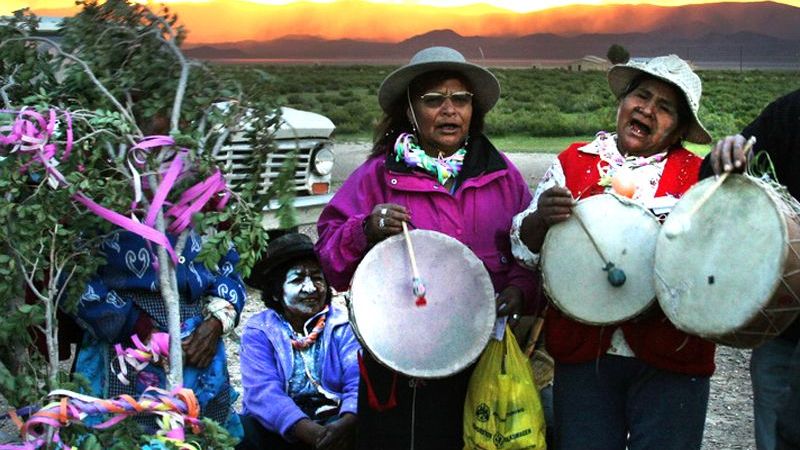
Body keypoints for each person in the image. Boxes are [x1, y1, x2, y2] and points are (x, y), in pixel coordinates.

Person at [315, 46, 539, 449]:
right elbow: (330, 259)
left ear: (474, 108)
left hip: (482, 353)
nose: (449, 110)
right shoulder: (378, 176)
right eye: (433, 99)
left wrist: (520, 288)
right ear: (411, 111)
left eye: (460, 99)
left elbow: (525, 248)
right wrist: (364, 229)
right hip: (401, 362)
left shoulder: (502, 176)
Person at [511, 54, 715, 450]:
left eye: (665, 107)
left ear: (679, 129)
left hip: (671, 355)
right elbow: (525, 252)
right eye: (641, 96)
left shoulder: (699, 178)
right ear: (622, 102)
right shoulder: (573, 163)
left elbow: (713, 268)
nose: (647, 110)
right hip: (585, 354)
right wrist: (541, 219)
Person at [71, 229, 245, 436]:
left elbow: (232, 262)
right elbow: (73, 272)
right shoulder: (97, 206)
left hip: (200, 338)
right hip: (120, 337)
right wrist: (138, 328)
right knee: (120, 432)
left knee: (201, 431)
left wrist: (216, 322)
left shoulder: (209, 202)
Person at [701, 88, 800, 450]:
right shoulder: (790, 112)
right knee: (776, 437)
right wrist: (725, 155)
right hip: (787, 327)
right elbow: (711, 178)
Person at [237, 232, 359, 450]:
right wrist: (308, 432)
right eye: (297, 279)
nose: (311, 288)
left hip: (334, 424)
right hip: (279, 429)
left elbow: (356, 381)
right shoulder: (260, 331)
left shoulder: (342, 326)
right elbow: (262, 392)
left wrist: (348, 420)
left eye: (317, 278)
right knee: (240, 430)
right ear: (276, 292)